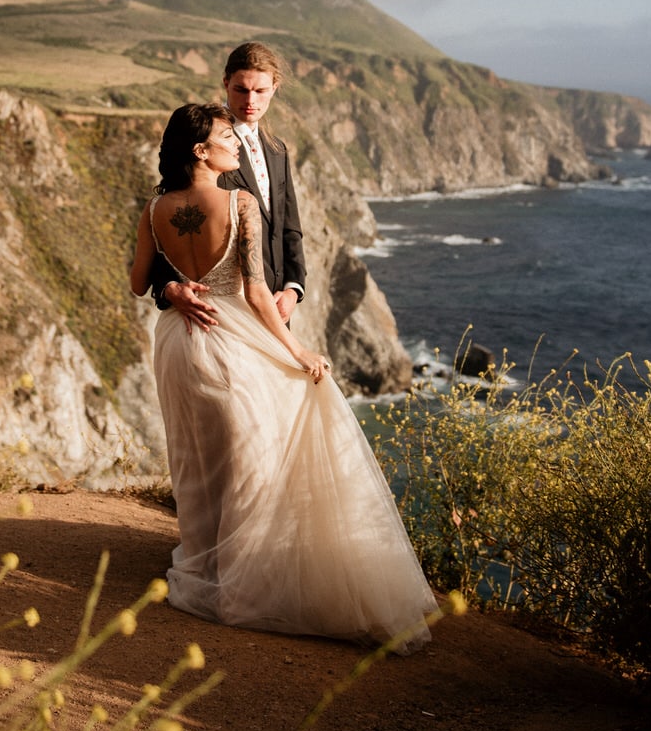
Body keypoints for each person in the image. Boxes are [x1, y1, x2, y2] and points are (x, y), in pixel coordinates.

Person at [131, 102, 435, 651]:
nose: (237, 144)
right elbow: (253, 291)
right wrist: (298, 350)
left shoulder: (155, 209)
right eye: (227, 137)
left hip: (179, 341)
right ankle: (244, 581)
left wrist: (174, 286)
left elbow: (137, 283)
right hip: (233, 340)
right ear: (201, 151)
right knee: (253, 456)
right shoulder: (240, 202)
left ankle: (206, 564)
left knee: (196, 456)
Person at [150, 42, 304, 331]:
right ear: (225, 83)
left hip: (276, 311)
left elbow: (288, 229)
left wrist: (293, 289)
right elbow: (168, 219)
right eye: (241, 89)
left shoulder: (277, 149)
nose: (251, 100)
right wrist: (168, 287)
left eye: (260, 91)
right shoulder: (207, 144)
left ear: (275, 87)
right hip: (220, 316)